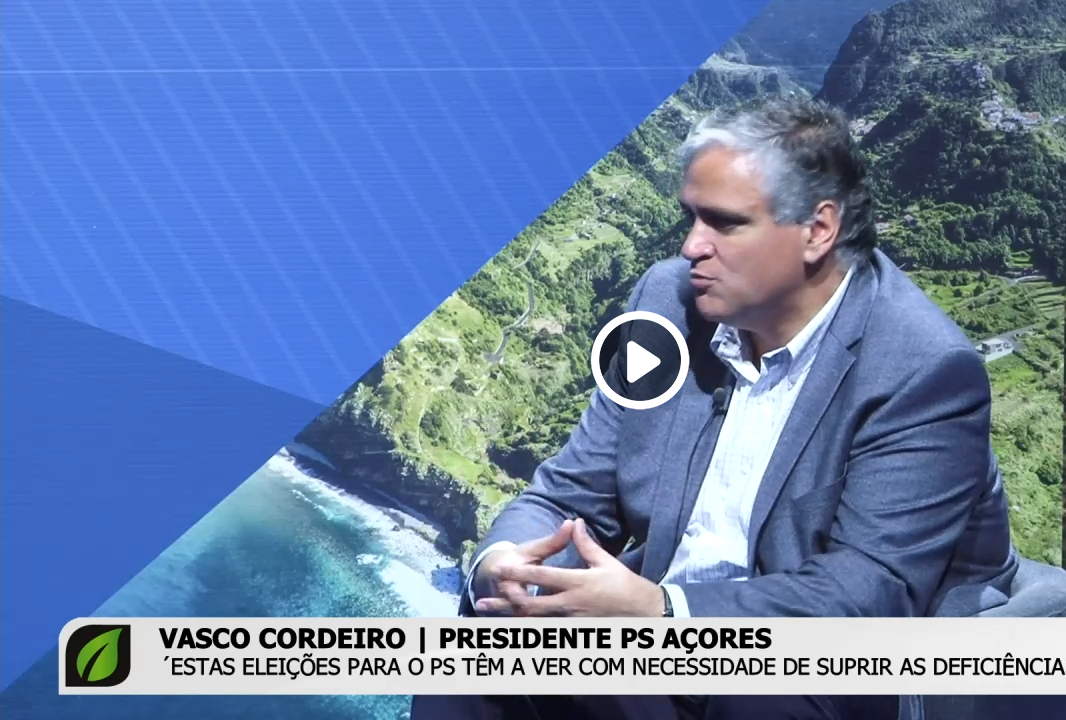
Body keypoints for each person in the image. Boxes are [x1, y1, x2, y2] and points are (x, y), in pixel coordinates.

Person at [411, 94, 1019, 720]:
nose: (690, 246)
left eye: (724, 223)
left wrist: (661, 615)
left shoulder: (924, 368)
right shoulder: (668, 304)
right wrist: (504, 563)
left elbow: (868, 591)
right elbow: (572, 492)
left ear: (817, 230)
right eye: (691, 218)